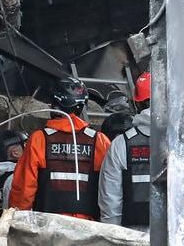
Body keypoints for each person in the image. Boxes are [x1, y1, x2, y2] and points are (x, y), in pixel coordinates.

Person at [8, 76, 112, 220]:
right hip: (89, 229)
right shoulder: (100, 141)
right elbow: (111, 188)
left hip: (48, 225)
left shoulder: (40, 139)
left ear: (54, 105)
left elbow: (24, 189)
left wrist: (17, 220)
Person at [99, 71, 152, 229]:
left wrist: (113, 236)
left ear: (137, 104)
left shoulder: (121, 144)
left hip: (133, 236)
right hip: (178, 238)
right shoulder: (183, 141)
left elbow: (110, 200)